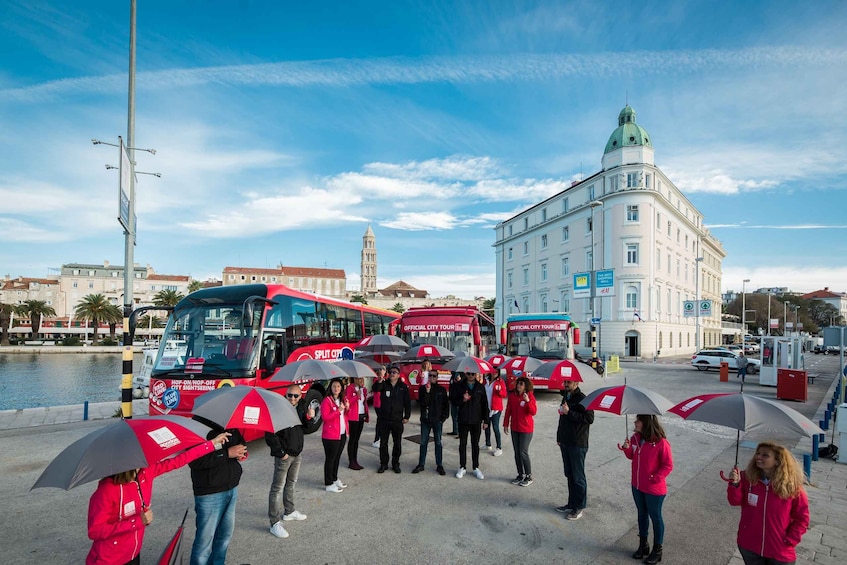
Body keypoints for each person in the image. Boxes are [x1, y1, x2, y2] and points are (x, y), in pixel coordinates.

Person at [86, 432, 230, 565]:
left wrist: (211, 444)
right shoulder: (106, 491)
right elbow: (95, 531)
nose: (150, 455)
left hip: (133, 553)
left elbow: (180, 460)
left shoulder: (146, 473)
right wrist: (136, 522)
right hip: (109, 559)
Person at [728, 442, 810, 565]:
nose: (759, 457)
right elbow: (735, 501)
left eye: (765, 455)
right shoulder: (746, 478)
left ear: (777, 461)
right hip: (749, 545)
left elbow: (802, 518)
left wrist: (790, 540)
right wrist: (735, 484)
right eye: (758, 453)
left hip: (779, 549)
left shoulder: (792, 487)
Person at [620, 415, 674, 563]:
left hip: (653, 489)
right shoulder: (636, 438)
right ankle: (643, 545)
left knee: (655, 517)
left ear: (646, 423)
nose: (635, 422)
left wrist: (655, 477)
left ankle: (658, 550)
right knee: (641, 514)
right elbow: (632, 455)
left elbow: (668, 465)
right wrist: (626, 449)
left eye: (638, 420)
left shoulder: (661, 443)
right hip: (637, 485)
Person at [189, 428, 247, 565]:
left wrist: (241, 451)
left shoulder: (231, 424)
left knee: (224, 536)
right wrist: (227, 453)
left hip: (231, 487)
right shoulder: (197, 426)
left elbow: (241, 443)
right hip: (209, 492)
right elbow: (194, 460)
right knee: (204, 541)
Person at [265, 384, 313, 539]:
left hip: (297, 453)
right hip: (284, 456)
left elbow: (306, 428)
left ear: (300, 396)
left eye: (296, 396)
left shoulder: (301, 408)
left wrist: (309, 417)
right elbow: (270, 434)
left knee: (291, 483)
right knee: (277, 488)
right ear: (285, 395)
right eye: (289, 395)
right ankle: (274, 522)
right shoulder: (278, 409)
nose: (292, 398)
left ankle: (289, 511)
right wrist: (281, 453)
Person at [556, 379, 594, 521]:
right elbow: (562, 419)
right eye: (565, 381)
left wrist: (569, 412)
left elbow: (589, 418)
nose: (566, 384)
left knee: (578, 477)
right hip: (566, 441)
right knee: (570, 474)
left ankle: (579, 506)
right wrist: (559, 436)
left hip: (578, 443)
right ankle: (571, 503)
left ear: (577, 383)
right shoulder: (566, 396)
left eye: (569, 382)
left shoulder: (583, 399)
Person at [451, 371, 490, 479]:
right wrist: (463, 399)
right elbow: (453, 401)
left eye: (473, 374)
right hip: (463, 419)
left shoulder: (480, 387)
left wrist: (486, 420)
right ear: (466, 374)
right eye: (468, 374)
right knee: (462, 444)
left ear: (476, 375)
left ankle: (475, 467)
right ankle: (462, 466)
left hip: (476, 420)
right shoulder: (459, 386)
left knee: (475, 445)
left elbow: (484, 404)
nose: (471, 376)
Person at [372, 365, 411, 473]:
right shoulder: (384, 384)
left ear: (398, 375)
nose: (392, 374)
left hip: (397, 419)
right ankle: (383, 463)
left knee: (397, 443)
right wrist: (380, 380)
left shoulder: (403, 387)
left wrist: (407, 416)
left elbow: (407, 403)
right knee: (383, 443)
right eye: (390, 372)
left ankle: (395, 463)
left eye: (394, 372)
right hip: (384, 419)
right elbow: (375, 389)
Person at [412, 368, 450, 475]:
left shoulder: (441, 390)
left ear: (437, 378)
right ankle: (421, 464)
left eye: (434, 376)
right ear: (427, 377)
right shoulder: (423, 389)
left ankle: (439, 465)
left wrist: (443, 418)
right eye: (430, 376)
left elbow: (446, 405)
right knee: (423, 442)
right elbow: (423, 403)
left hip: (437, 420)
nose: (432, 378)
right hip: (426, 420)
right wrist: (428, 392)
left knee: (438, 442)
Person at [503, 376, 537, 487]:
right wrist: (505, 424)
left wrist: (527, 401)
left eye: (521, 384)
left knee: (523, 452)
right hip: (515, 428)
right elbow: (508, 410)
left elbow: (533, 412)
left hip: (526, 429)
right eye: (518, 383)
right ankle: (520, 474)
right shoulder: (512, 396)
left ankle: (529, 475)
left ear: (526, 386)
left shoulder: (529, 396)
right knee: (517, 452)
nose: (518, 385)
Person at [321, 378, 349, 492]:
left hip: (341, 434)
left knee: (337, 458)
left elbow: (346, 415)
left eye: (338, 386)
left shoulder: (342, 399)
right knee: (330, 459)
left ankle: (334, 478)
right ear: (330, 388)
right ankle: (328, 483)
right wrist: (338, 410)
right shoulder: (326, 401)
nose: (336, 388)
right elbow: (325, 418)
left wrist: (347, 407)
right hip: (330, 436)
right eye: (334, 386)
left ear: (341, 388)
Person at [345, 375, 370, 471]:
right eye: (356, 378)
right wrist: (356, 396)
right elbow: (347, 402)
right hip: (353, 417)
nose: (358, 380)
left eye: (360, 378)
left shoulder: (363, 389)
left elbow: (364, 403)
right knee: (353, 439)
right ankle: (351, 461)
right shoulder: (350, 388)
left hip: (361, 415)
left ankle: (355, 459)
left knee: (357, 439)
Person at [484, 370, 508, 456]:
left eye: (496, 372)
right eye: (493, 372)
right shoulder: (485, 380)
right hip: (487, 407)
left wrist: (499, 391)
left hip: (496, 409)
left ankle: (499, 447)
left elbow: (504, 394)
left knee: (495, 427)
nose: (494, 374)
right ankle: (488, 444)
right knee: (486, 426)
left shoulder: (500, 381)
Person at [371, 366, 387, 448]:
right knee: (380, 422)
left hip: (385, 404)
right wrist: (380, 381)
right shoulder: (376, 380)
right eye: (380, 369)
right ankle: (377, 439)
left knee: (383, 422)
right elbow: (376, 389)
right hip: (378, 404)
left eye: (383, 369)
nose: (381, 370)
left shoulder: (386, 380)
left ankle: (381, 438)